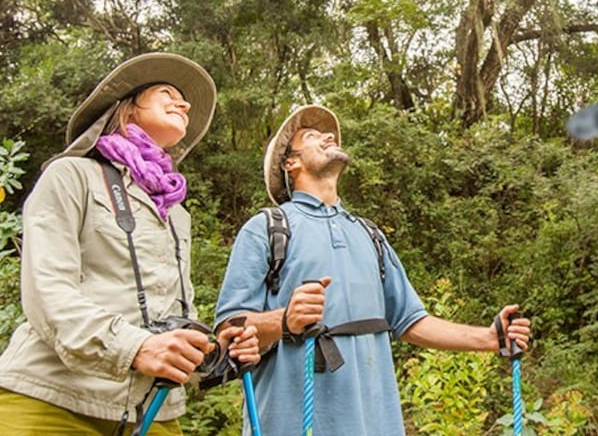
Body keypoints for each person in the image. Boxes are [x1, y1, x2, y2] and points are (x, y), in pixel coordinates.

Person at [0, 52, 260, 436]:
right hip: (47, 401)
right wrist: (137, 348)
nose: (183, 103)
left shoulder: (176, 213)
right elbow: (48, 293)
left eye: (183, 99)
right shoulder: (71, 175)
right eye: (166, 92)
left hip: (153, 413)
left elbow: (171, 313)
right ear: (127, 110)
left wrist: (217, 349)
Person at [215, 105, 531, 436]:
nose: (328, 137)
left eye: (329, 135)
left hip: (377, 423)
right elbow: (229, 328)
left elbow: (410, 321)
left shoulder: (369, 234)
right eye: (311, 136)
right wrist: (284, 320)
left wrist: (489, 338)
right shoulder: (266, 228)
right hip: (291, 423)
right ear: (290, 163)